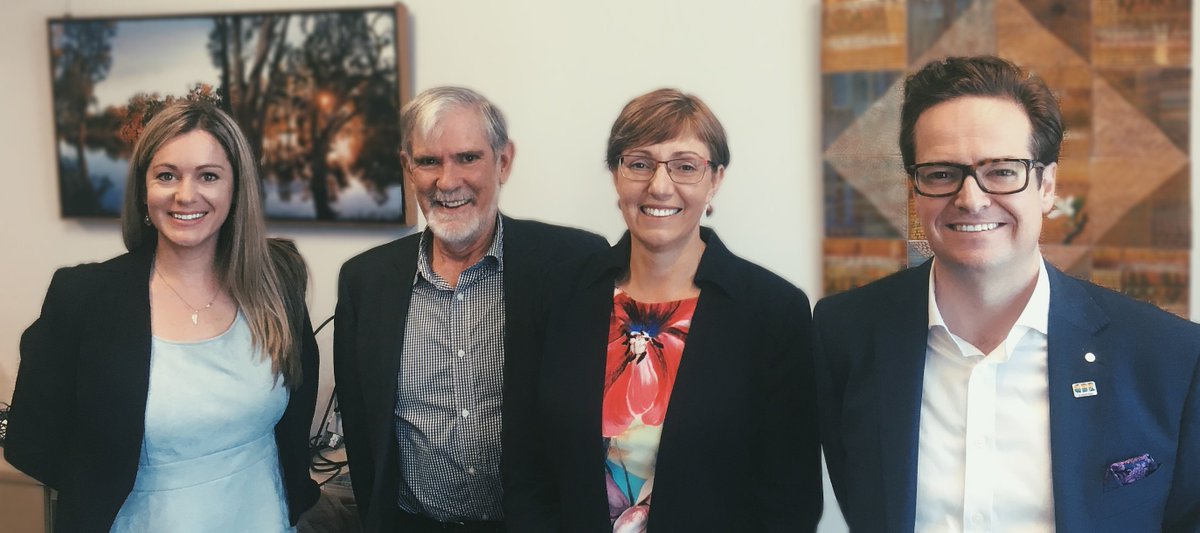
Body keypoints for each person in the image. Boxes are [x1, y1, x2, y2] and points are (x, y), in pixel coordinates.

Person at [813, 55, 1200, 532]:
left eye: (1001, 171)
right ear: (915, 190)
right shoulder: (845, 334)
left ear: (1047, 186)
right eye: (940, 173)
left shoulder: (1169, 355)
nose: (970, 198)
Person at [503, 88, 823, 532]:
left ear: (715, 180)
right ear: (616, 176)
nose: (659, 185)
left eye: (685, 166)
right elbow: (525, 467)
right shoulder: (559, 297)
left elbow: (790, 500)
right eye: (639, 163)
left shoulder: (772, 311)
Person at [5, 100, 320, 531]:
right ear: (143, 188)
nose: (185, 195)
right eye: (166, 175)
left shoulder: (278, 280)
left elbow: (297, 413)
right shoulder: (83, 297)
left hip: (263, 516)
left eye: (208, 176)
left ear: (237, 188)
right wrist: (105, 485)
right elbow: (30, 442)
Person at [333, 86, 607, 532]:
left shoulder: (573, 265)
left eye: (467, 158)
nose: (447, 181)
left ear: (504, 161)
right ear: (407, 167)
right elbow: (364, 434)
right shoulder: (365, 282)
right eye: (428, 161)